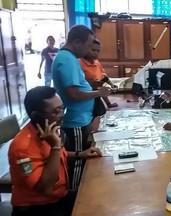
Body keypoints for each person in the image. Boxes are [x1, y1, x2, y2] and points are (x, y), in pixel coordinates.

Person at [8, 86, 101, 216]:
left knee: (98, 197)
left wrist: (80, 154)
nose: (62, 115)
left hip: (59, 197)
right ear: (36, 115)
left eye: (62, 109)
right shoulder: (23, 147)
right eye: (56, 112)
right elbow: (45, 189)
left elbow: (55, 158)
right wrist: (55, 146)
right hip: (38, 208)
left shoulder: (49, 131)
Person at [52, 25, 111, 190]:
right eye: (88, 45)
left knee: (85, 155)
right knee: (79, 160)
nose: (89, 50)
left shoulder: (69, 58)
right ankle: (75, 198)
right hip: (75, 121)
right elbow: (75, 94)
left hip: (82, 118)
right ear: (77, 42)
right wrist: (98, 92)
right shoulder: (67, 59)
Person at [79, 39, 118, 131]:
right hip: (85, 96)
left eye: (98, 51)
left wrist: (111, 85)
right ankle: (93, 135)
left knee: (101, 112)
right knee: (96, 115)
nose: (96, 53)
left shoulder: (96, 63)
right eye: (93, 50)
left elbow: (102, 78)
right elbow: (79, 82)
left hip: (96, 94)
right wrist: (90, 82)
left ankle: (96, 133)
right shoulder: (79, 63)